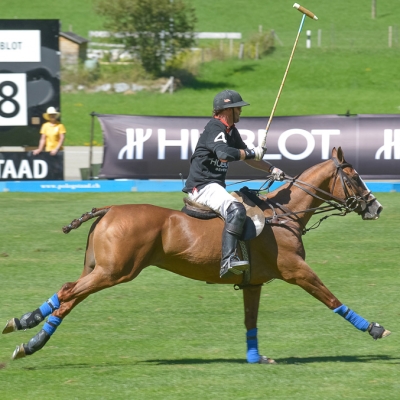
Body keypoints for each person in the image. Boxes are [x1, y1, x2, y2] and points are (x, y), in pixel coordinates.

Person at [183, 89, 285, 278]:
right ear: (227, 110)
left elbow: (247, 156)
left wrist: (272, 169)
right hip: (202, 186)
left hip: (214, 186)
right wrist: (252, 152)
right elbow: (224, 154)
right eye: (237, 108)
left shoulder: (231, 131)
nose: (240, 111)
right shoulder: (215, 128)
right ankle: (228, 260)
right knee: (236, 209)